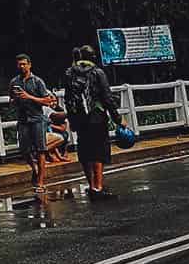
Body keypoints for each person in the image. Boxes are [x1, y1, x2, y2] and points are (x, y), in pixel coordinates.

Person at [63, 43, 123, 200]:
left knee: (85, 152)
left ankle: (91, 186)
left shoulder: (70, 73)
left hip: (80, 118)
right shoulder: (97, 72)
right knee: (98, 152)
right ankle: (98, 187)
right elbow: (107, 98)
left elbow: (68, 99)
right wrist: (118, 119)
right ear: (93, 57)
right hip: (96, 117)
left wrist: (73, 119)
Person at [9, 53, 55, 194]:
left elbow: (48, 100)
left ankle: (41, 182)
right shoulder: (14, 82)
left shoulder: (37, 82)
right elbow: (10, 100)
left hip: (37, 119)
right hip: (23, 119)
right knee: (24, 149)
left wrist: (29, 97)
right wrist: (15, 100)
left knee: (41, 150)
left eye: (24, 64)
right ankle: (34, 168)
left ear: (29, 64)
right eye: (19, 64)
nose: (22, 66)